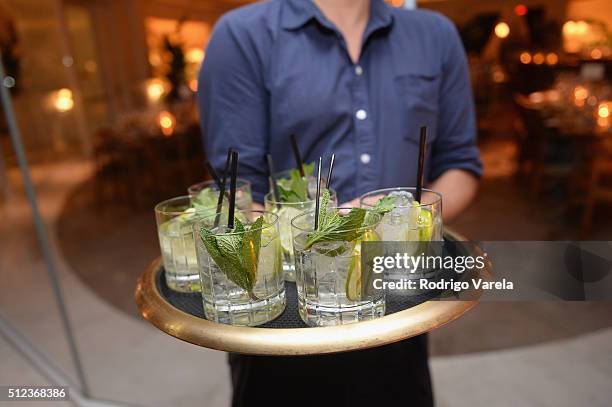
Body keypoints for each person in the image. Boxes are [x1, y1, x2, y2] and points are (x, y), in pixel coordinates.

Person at [198, 0, 482, 406]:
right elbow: (237, 194)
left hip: (398, 308)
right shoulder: (242, 35)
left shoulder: (435, 35)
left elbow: (461, 165)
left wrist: (399, 221)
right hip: (289, 323)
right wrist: (323, 249)